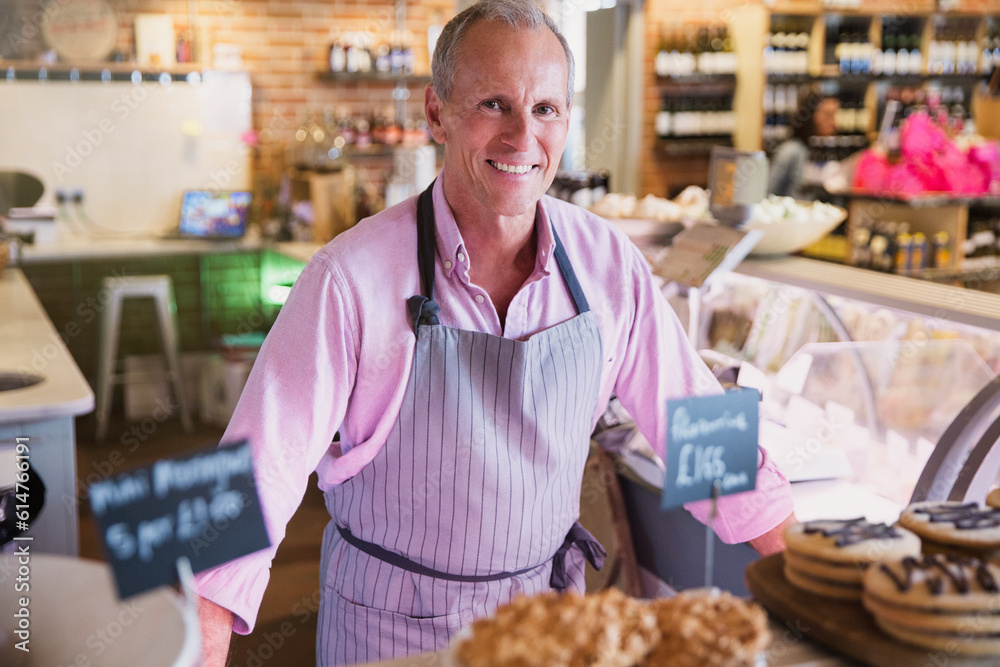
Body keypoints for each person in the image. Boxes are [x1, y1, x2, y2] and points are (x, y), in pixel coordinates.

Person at [195, 1, 796, 665]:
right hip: (392, 634)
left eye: (545, 109)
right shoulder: (349, 277)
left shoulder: (606, 263)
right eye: (492, 104)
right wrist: (197, 637)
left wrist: (810, 576)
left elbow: (700, 426)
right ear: (436, 113)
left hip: (546, 628)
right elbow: (251, 473)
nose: (521, 138)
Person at [768, 88, 839, 199]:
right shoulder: (791, 150)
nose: (833, 122)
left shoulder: (831, 150)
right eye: (827, 115)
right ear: (810, 116)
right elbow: (770, 193)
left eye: (835, 115)